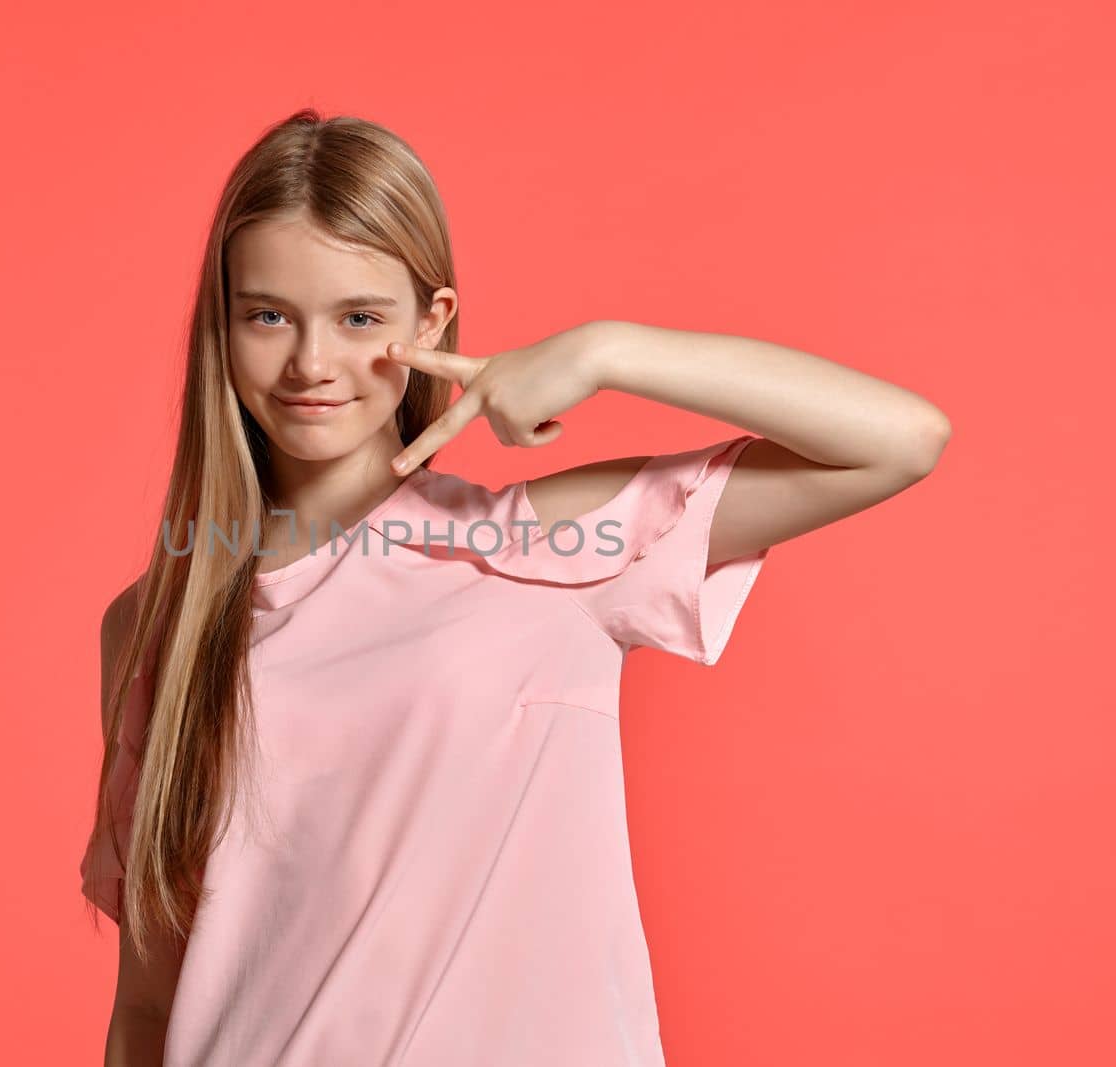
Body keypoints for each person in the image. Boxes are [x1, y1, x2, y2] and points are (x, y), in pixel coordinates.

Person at [79, 108, 951, 1067]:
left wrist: (607, 351)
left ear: (432, 322)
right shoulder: (158, 622)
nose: (311, 364)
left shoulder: (541, 546)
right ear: (226, 322)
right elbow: (149, 1003)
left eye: (360, 316)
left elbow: (898, 440)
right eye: (269, 315)